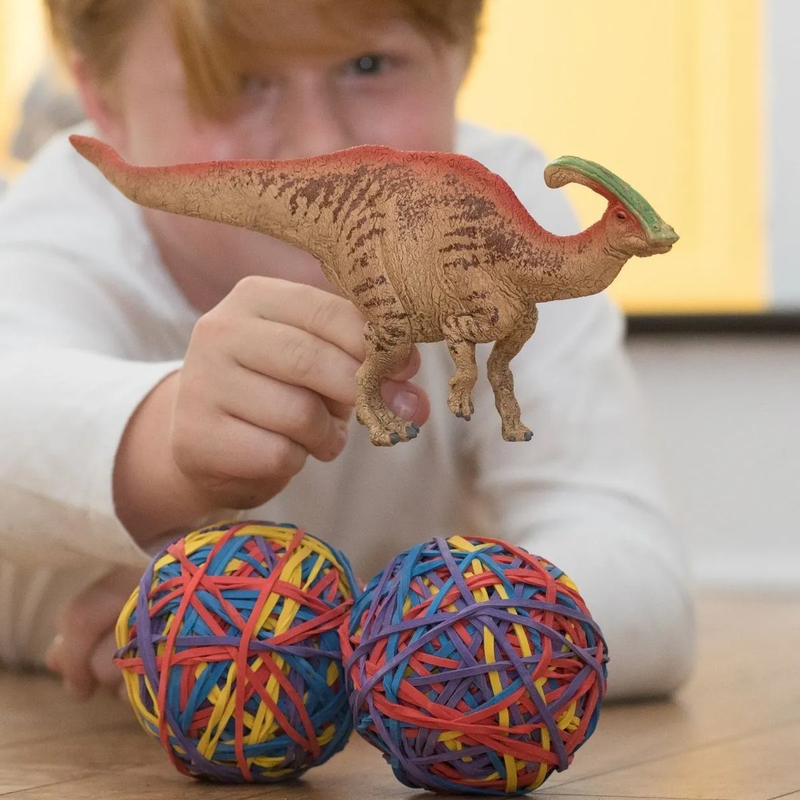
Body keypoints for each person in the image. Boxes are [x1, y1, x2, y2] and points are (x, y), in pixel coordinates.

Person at [0, 0, 694, 703]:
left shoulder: (498, 204)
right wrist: (160, 440)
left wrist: (293, 630)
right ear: (102, 100)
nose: (319, 138)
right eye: (240, 80)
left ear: (460, 61)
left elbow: (639, 578)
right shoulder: (65, 226)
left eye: (370, 65)